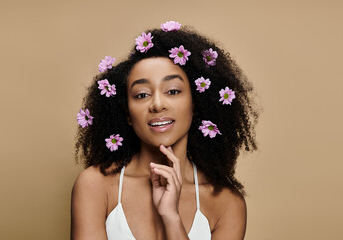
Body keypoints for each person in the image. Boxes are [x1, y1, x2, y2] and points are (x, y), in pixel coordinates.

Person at [71, 21, 259, 240]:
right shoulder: (95, 186)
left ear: (195, 104)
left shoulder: (226, 202)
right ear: (127, 115)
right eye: (142, 94)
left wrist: (171, 217)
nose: (157, 104)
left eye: (173, 91)